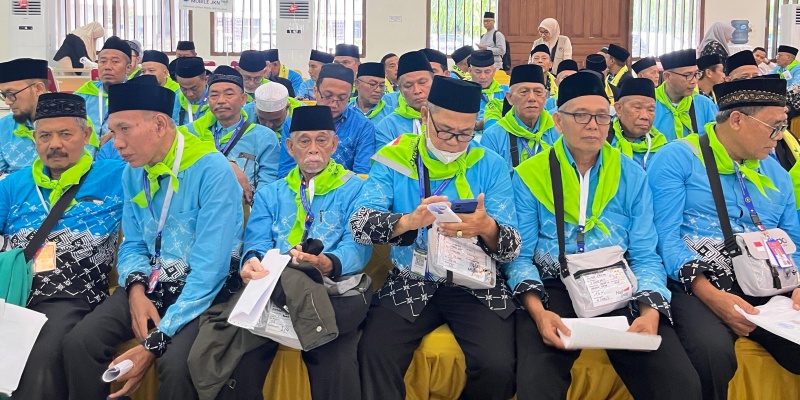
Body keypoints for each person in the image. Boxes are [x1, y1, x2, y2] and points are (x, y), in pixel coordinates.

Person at [508, 71, 702, 400]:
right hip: (554, 284)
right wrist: (539, 313)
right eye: (581, 116)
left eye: (601, 116)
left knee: (678, 383)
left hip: (617, 282)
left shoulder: (631, 175)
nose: (593, 125)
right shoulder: (531, 176)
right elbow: (521, 257)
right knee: (538, 379)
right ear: (558, 121)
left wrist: (649, 312)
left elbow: (645, 255)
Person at [62, 75, 243, 400]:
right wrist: (135, 291)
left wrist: (156, 341)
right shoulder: (133, 171)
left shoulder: (211, 170)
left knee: (178, 365)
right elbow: (132, 243)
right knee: (80, 342)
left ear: (159, 124)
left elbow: (210, 269)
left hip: (203, 291)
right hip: (150, 283)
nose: (116, 143)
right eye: (113, 131)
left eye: (124, 129)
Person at [351, 76, 520, 400]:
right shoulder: (396, 158)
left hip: (476, 283)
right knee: (374, 353)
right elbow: (359, 225)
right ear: (425, 115)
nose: (455, 142)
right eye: (445, 131)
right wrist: (408, 221)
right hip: (413, 278)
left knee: (498, 367)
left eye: (465, 133)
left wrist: (487, 228)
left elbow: (512, 247)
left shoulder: (489, 164)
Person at [647, 78, 800, 400]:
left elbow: (794, 243)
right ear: (737, 120)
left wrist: (798, 285)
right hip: (696, 282)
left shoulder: (777, 175)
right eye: (774, 127)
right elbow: (664, 238)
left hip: (769, 282)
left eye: (783, 127)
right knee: (711, 352)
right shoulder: (679, 158)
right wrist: (711, 295)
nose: (780, 137)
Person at [217, 105, 372, 400]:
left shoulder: (355, 189)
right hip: (273, 289)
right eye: (304, 141)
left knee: (337, 366)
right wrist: (252, 261)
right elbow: (257, 242)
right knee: (238, 359)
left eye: (322, 140)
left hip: (329, 291)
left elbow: (358, 244)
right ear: (290, 147)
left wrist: (329, 262)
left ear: (334, 144)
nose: (313, 149)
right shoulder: (271, 193)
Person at [3, 93, 124, 399]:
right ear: (34, 140)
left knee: (40, 356)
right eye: (45, 136)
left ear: (86, 135)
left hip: (73, 295)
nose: (54, 144)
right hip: (14, 292)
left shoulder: (117, 176)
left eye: (65, 134)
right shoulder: (13, 185)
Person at [183, 66, 280, 203]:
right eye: (214, 95)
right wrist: (228, 166)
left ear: (243, 99)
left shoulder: (264, 137)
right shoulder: (191, 134)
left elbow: (268, 183)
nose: (221, 100)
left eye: (229, 94)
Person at [278, 63, 375, 177]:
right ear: (315, 91)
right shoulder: (294, 123)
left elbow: (361, 174)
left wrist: (331, 182)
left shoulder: (362, 127)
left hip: (345, 186)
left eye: (342, 98)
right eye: (328, 96)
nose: (334, 104)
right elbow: (286, 171)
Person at [482, 64, 560, 174]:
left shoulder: (559, 130)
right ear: (510, 98)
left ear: (545, 96)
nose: (532, 98)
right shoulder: (493, 136)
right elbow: (489, 179)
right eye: (524, 92)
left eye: (538, 92)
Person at [0, 59, 60, 177]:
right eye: (4, 95)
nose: (7, 101)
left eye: (11, 94)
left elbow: (82, 172)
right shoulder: (4, 127)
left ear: (39, 89)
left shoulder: (73, 122)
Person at [74, 36, 132, 140]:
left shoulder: (137, 96)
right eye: (103, 61)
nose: (107, 67)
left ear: (128, 68)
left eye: (115, 62)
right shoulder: (84, 95)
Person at [653, 49, 718, 141]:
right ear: (667, 76)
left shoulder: (705, 104)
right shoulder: (650, 103)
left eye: (696, 74)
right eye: (687, 75)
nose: (694, 81)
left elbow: (716, 140)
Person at [375, 51, 434, 146]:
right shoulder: (388, 126)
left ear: (434, 83)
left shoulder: (450, 117)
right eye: (408, 85)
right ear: (400, 90)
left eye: (422, 82)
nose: (417, 90)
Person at [608, 78, 667, 169]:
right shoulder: (604, 140)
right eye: (637, 108)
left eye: (651, 110)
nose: (645, 116)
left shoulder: (660, 144)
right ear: (619, 109)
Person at [470, 49, 509, 132]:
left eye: (487, 72)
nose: (483, 76)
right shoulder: (462, 93)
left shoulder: (506, 91)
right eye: (478, 72)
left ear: (494, 71)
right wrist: (477, 125)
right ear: (470, 71)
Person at [350, 62, 392, 127]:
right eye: (372, 84)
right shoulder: (345, 110)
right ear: (357, 84)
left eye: (381, 85)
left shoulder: (390, 114)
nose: (378, 90)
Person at [172, 56, 210, 126]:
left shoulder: (217, 101)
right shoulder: (174, 100)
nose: (189, 94)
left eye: (194, 88)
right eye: (184, 88)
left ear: (205, 80)